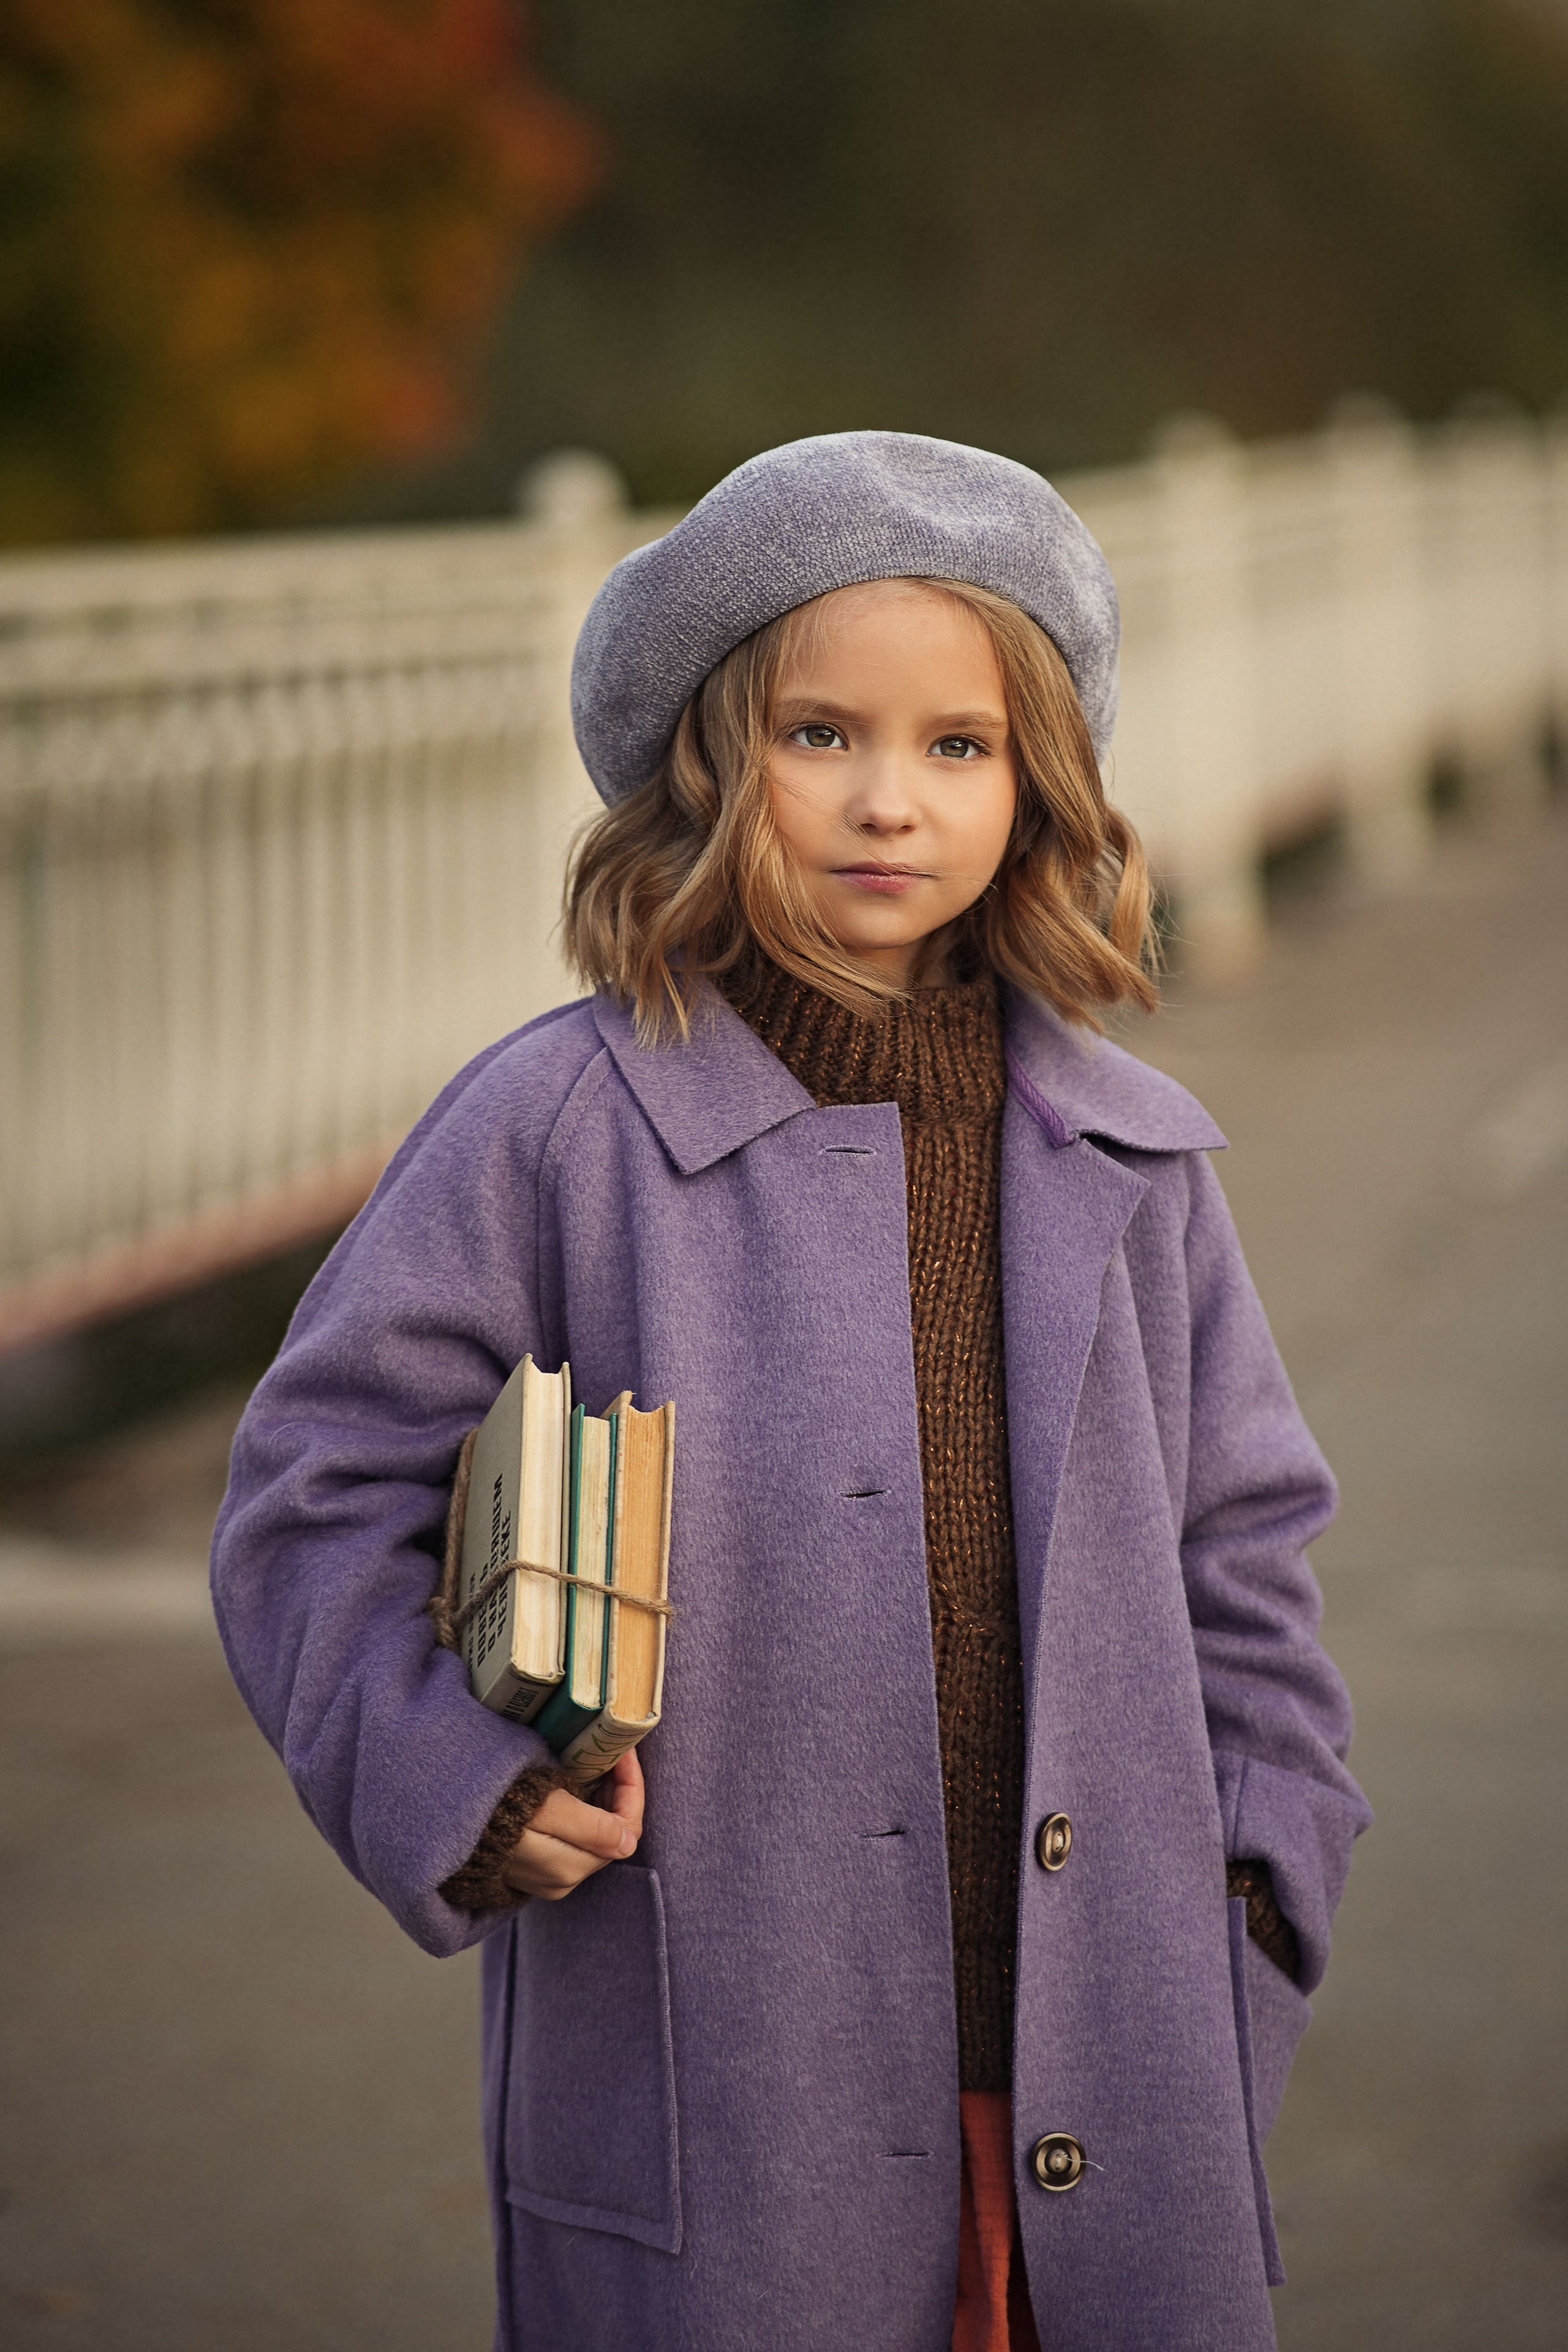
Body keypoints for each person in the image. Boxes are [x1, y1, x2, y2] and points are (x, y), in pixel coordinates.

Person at [211, 431, 1371, 2352]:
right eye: (821, 735)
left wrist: (1259, 1890)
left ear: (1040, 782)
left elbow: (1247, 1554)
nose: (888, 804)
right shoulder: (554, 1129)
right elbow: (313, 1493)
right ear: (707, 760)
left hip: (1113, 2047)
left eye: (958, 746)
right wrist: (461, 1781)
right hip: (731, 2079)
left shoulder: (1135, 1161)